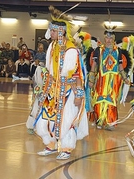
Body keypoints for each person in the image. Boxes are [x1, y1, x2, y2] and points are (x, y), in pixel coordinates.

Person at [26, 5, 88, 160]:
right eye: (51, 30)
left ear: (61, 32)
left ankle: (66, 148)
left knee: (65, 121)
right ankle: (50, 145)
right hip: (52, 89)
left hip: (68, 91)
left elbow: (78, 74)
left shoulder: (71, 50)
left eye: (53, 31)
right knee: (43, 119)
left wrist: (79, 95)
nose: (51, 33)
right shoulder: (52, 46)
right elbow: (49, 70)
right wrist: (43, 84)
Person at [88, 24, 129, 130]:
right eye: (107, 37)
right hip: (101, 79)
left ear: (114, 39)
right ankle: (100, 120)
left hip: (114, 81)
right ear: (104, 38)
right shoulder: (98, 50)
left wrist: (125, 78)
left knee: (111, 101)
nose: (108, 40)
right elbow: (94, 66)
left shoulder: (118, 51)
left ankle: (110, 121)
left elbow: (120, 67)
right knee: (100, 100)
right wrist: (91, 80)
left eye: (111, 38)